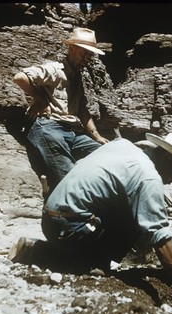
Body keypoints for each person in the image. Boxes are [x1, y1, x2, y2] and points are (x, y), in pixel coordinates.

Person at [9, 132, 172, 312]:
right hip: (70, 230)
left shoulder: (123, 145)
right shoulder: (147, 177)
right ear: (168, 158)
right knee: (139, 216)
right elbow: (157, 233)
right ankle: (89, 264)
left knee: (133, 206)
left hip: (51, 219)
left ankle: (42, 252)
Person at [13, 27, 109, 197]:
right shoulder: (55, 69)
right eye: (83, 53)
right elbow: (20, 77)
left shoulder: (78, 77)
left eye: (90, 55)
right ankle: (69, 210)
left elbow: (82, 110)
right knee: (68, 178)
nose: (87, 58)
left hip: (72, 133)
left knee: (106, 155)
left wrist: (97, 136)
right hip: (49, 128)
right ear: (71, 49)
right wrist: (41, 100)